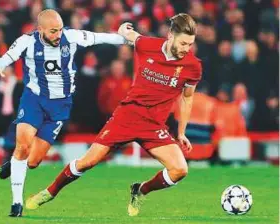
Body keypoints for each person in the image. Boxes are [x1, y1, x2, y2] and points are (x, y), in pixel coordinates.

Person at [25, 13, 202, 217]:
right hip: (126, 116)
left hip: (154, 125)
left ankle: (140, 190)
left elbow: (187, 98)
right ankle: (49, 192)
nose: (186, 49)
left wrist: (182, 132)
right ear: (171, 35)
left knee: (180, 170)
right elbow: (130, 34)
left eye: (190, 44)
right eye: (183, 43)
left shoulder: (193, 66)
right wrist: (122, 30)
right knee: (88, 162)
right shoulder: (147, 45)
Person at [0, 9, 128, 217]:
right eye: (53, 31)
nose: (58, 35)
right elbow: (8, 56)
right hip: (33, 99)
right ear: (40, 30)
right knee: (23, 145)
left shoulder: (70, 36)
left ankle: (16, 163)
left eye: (60, 30)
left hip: (60, 106)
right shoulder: (26, 41)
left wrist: (125, 37)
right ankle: (16, 203)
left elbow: (98, 38)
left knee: (33, 161)